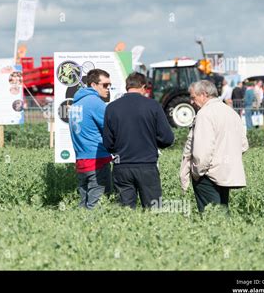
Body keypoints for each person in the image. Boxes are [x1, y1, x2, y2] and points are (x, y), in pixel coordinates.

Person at [103, 72, 174, 209]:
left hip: (121, 166)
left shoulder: (111, 108)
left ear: (127, 87)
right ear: (143, 87)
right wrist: (153, 143)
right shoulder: (153, 106)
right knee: (154, 210)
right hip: (147, 165)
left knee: (125, 213)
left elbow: (107, 143)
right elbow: (167, 138)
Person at [180, 80, 248, 212]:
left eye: (193, 97)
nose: (191, 102)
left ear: (204, 94)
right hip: (226, 173)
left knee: (212, 218)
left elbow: (202, 152)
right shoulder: (231, 113)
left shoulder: (205, 114)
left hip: (207, 175)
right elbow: (243, 145)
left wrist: (197, 173)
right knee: (222, 212)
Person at [68, 69, 113, 209]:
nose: (108, 89)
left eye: (109, 85)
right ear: (93, 85)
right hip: (97, 159)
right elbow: (111, 129)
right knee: (97, 205)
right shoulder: (95, 103)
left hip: (81, 160)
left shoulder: (76, 104)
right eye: (105, 85)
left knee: (83, 204)